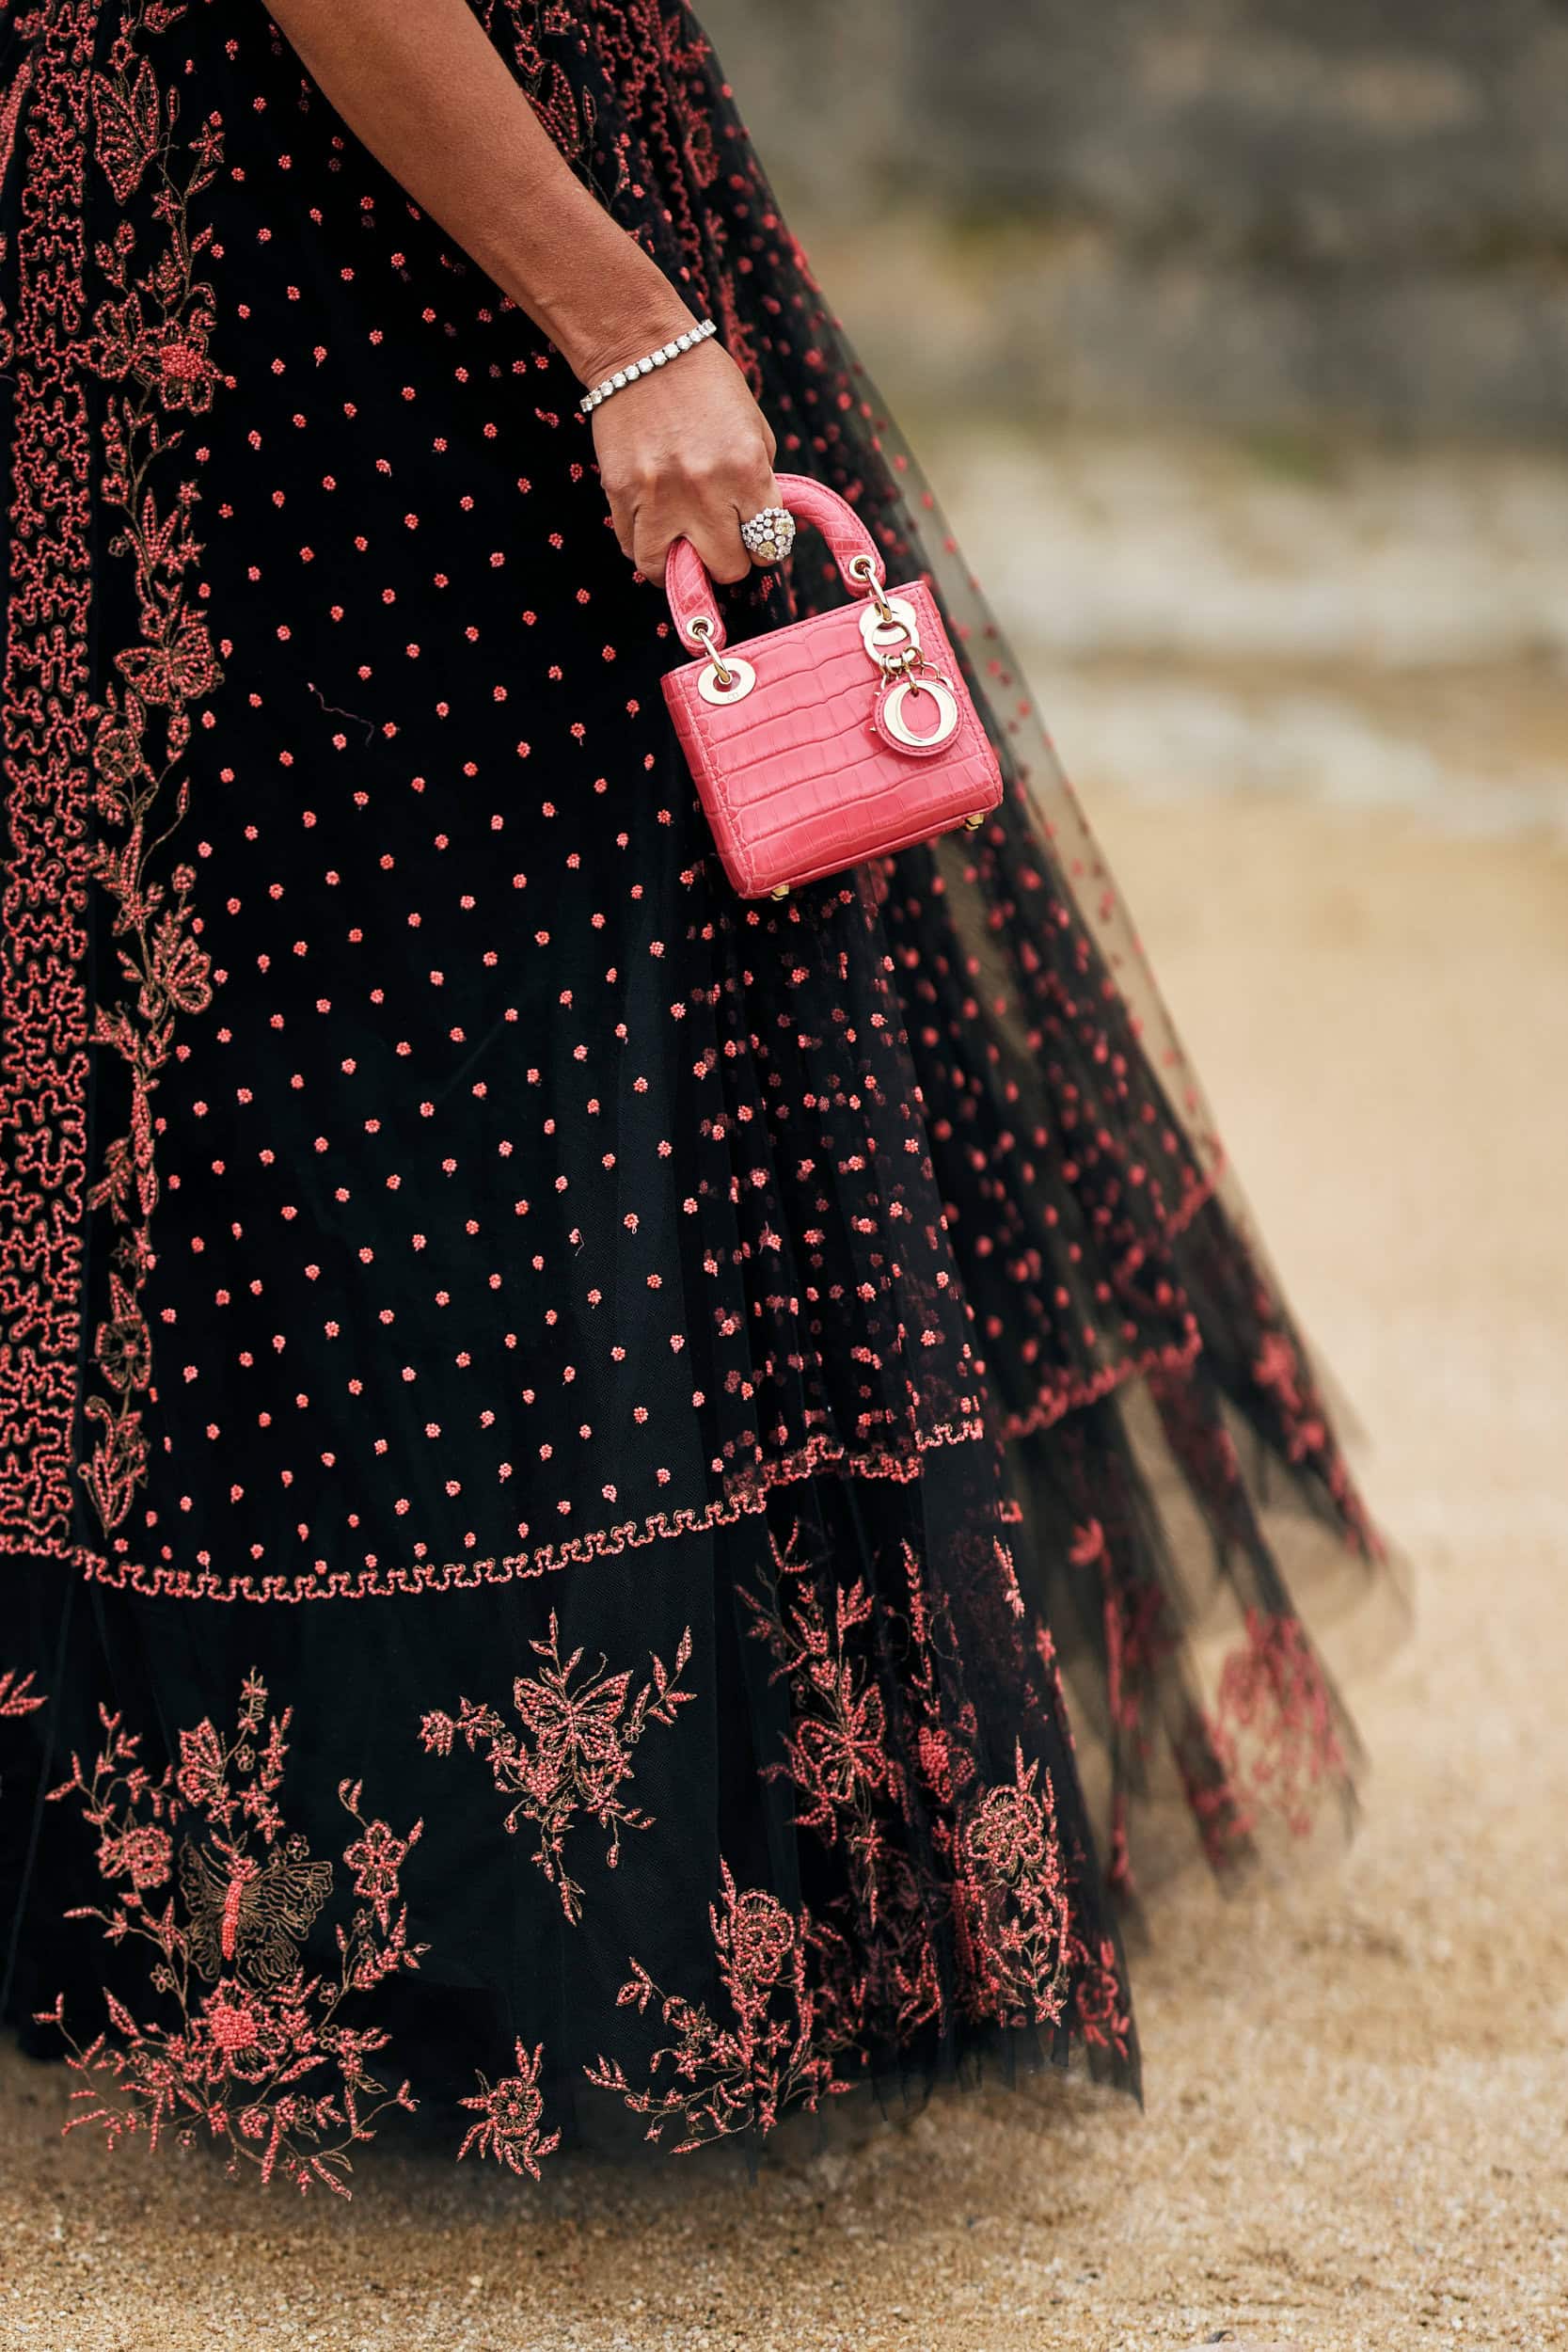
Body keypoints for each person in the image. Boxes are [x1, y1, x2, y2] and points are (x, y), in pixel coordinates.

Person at [0, 0, 1395, 2197]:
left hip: (476, 174)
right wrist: (620, 323)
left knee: (481, 1055)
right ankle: (429, 1920)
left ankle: (566, 1888)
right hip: (330, 259)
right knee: (379, 1072)